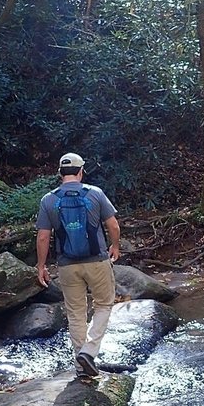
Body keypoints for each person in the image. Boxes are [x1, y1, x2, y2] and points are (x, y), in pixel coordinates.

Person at [35, 152, 120, 377]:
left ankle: (81, 364)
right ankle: (89, 351)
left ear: (59, 173)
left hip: (66, 265)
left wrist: (41, 266)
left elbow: (43, 237)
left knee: (75, 314)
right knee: (103, 305)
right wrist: (115, 246)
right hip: (97, 262)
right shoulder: (95, 194)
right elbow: (113, 226)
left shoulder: (49, 200)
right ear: (81, 171)